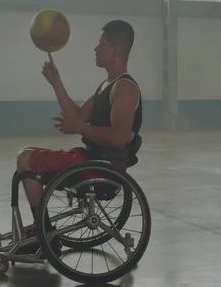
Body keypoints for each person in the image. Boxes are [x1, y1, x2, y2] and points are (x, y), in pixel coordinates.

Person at [14, 20, 143, 255]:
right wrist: (57, 83)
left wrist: (81, 128)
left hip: (103, 168)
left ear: (116, 50)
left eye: (100, 44)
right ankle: (41, 229)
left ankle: (42, 234)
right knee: (25, 154)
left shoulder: (124, 88)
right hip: (90, 160)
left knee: (26, 159)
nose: (95, 49)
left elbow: (119, 138)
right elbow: (78, 115)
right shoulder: (106, 86)